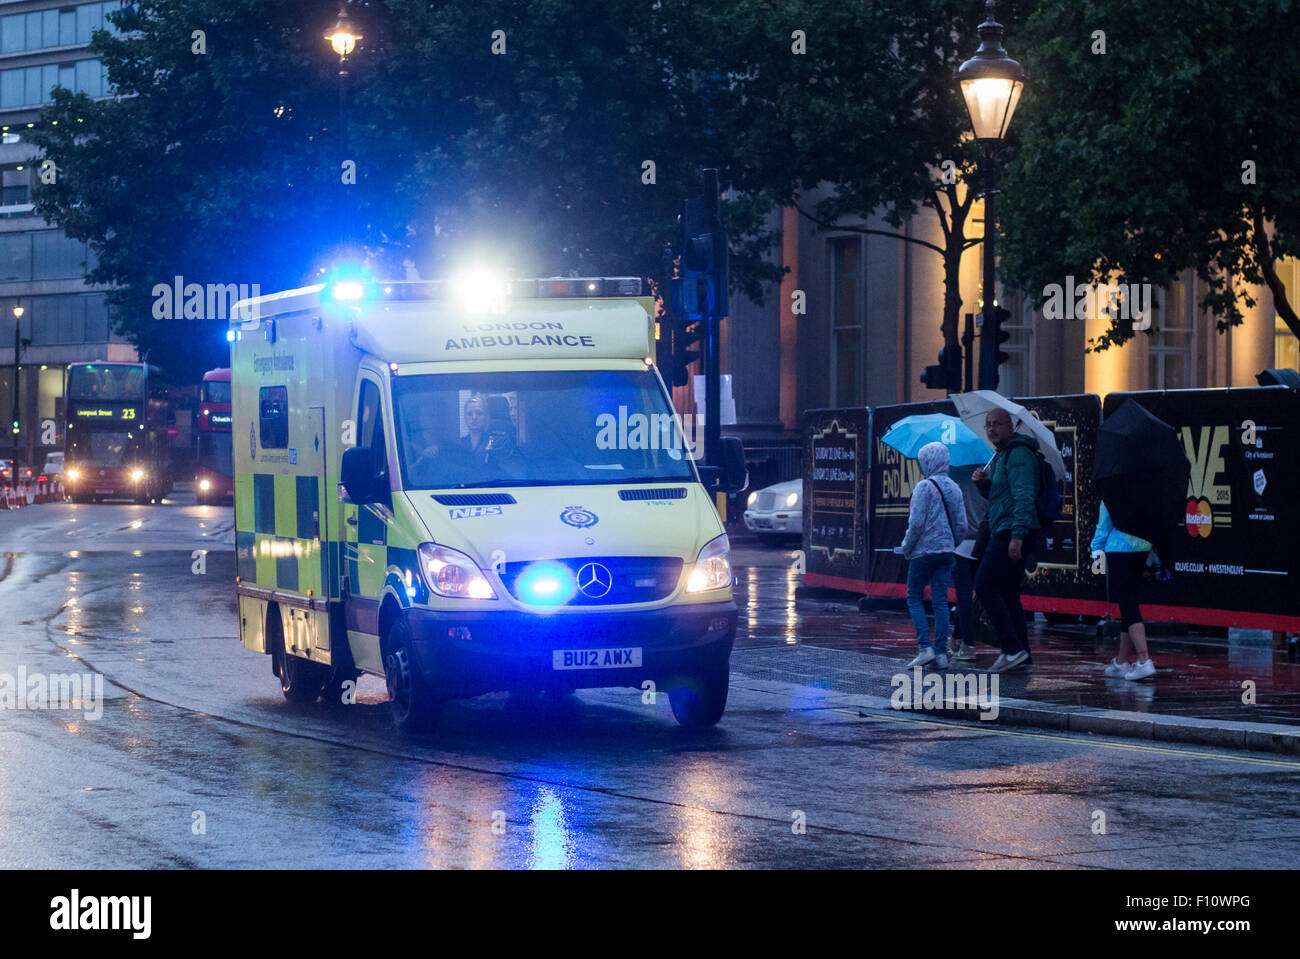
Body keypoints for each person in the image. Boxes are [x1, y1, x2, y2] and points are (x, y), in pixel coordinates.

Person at [972, 408, 1041, 672]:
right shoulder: (1001, 456)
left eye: (997, 424)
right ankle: (1021, 653)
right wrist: (984, 485)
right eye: (988, 425)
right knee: (1008, 592)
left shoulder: (1019, 455)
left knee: (985, 584)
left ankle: (1011, 648)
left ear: (1010, 426)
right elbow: (1001, 498)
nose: (991, 430)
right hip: (1006, 527)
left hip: (1011, 531)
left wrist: (1017, 536)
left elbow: (1024, 497)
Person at [896, 442, 968, 669]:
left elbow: (916, 523)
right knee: (940, 601)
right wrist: (951, 542)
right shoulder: (955, 488)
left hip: (923, 553)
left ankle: (924, 648)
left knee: (914, 597)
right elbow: (962, 525)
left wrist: (906, 547)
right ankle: (940, 654)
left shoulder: (923, 488)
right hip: (947, 552)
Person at [1091, 502, 1156, 681]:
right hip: (1142, 545)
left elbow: (1104, 523)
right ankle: (1121, 662)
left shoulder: (1113, 487)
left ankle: (1144, 660)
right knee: (1129, 603)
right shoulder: (1147, 487)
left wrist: (1095, 549)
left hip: (1118, 548)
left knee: (1128, 603)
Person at [948, 466, 988, 663]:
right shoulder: (984, 474)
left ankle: (968, 643)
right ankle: (956, 638)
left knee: (963, 596)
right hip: (982, 541)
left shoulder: (954, 476)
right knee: (967, 596)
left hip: (962, 543)